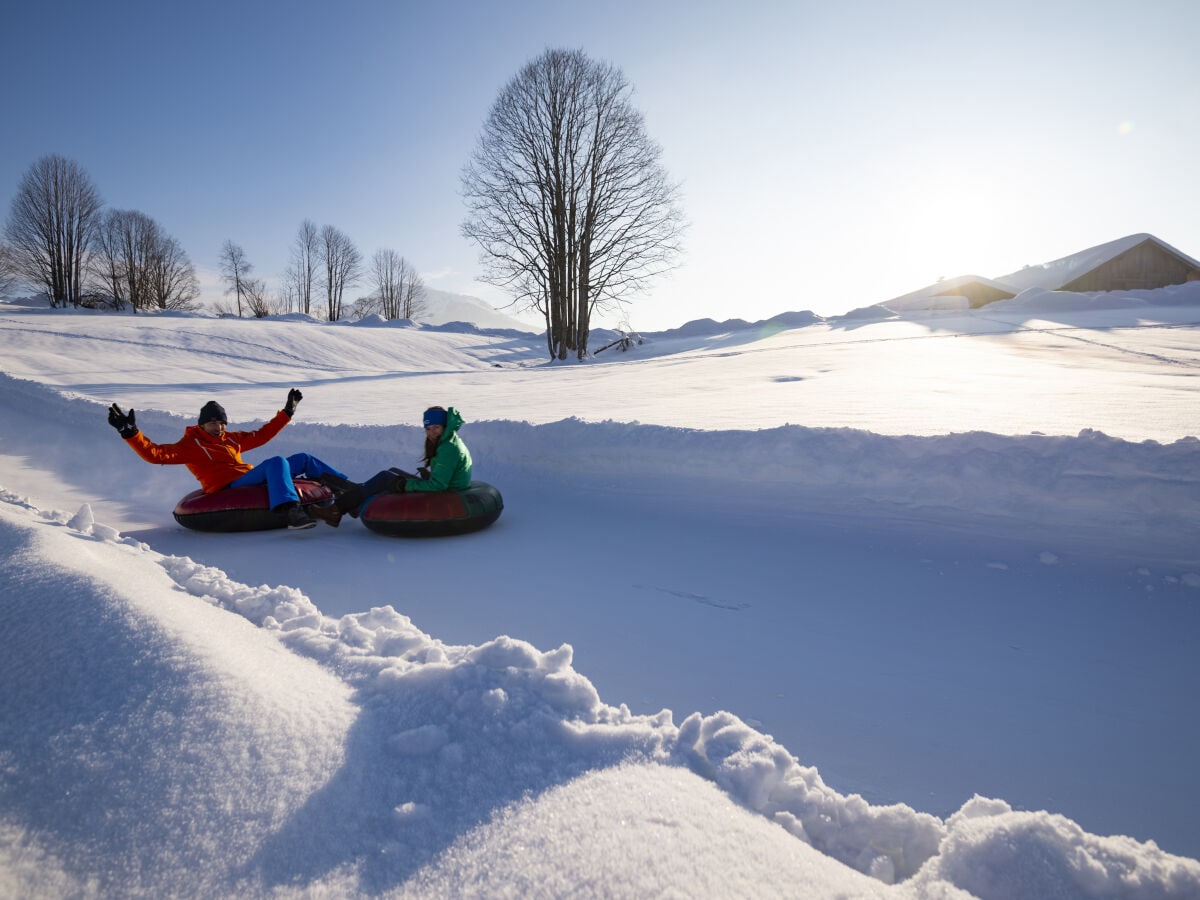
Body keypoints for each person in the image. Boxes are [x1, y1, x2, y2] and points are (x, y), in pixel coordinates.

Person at [107, 389, 356, 530]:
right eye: (213, 423)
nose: (218, 427)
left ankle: (349, 489)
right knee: (277, 462)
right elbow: (156, 454)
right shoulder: (191, 445)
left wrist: (287, 412)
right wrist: (130, 433)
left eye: (221, 422)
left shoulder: (230, 439)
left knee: (303, 458)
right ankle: (291, 512)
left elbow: (262, 434)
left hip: (246, 477)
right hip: (228, 486)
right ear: (202, 424)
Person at [320, 405, 472, 525]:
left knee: (386, 478)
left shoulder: (448, 448)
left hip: (449, 493)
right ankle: (353, 503)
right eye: (428, 429)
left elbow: (439, 485)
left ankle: (336, 510)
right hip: (448, 487)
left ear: (444, 426)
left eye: (436, 428)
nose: (431, 433)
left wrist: (406, 485)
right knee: (392, 472)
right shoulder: (448, 441)